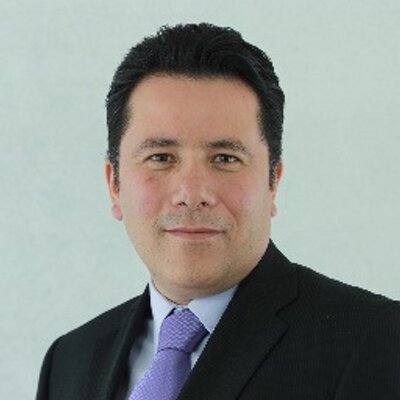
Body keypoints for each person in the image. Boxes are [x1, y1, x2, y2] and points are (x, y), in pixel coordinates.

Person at [36, 23, 400, 400]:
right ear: (114, 185)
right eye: (160, 157)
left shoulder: (375, 340)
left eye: (225, 158)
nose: (192, 194)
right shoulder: (69, 360)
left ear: (273, 182)